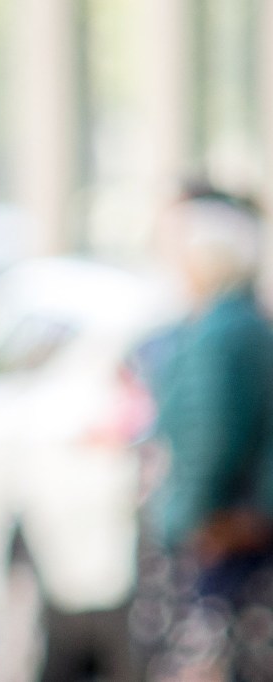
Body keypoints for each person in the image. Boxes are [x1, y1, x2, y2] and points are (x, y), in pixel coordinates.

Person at [137, 183, 273, 680]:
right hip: (234, 526)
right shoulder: (239, 322)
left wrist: (187, 519)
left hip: (221, 533)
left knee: (206, 657)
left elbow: (210, 437)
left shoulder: (222, 330)